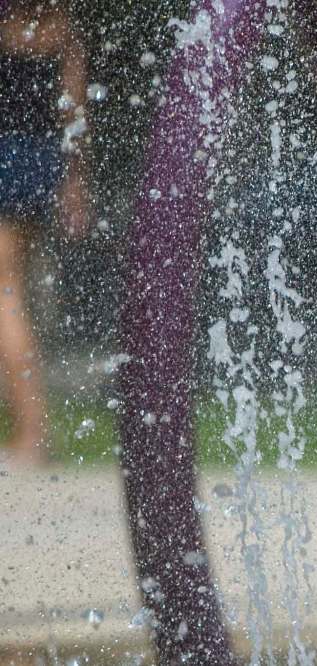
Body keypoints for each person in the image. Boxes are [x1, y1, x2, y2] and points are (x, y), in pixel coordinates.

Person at [0, 0, 90, 465]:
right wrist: (75, 180)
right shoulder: (61, 28)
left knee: (5, 296)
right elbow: (73, 110)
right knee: (18, 295)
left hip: (4, 158)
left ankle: (33, 436)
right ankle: (31, 430)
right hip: (41, 163)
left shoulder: (5, 25)